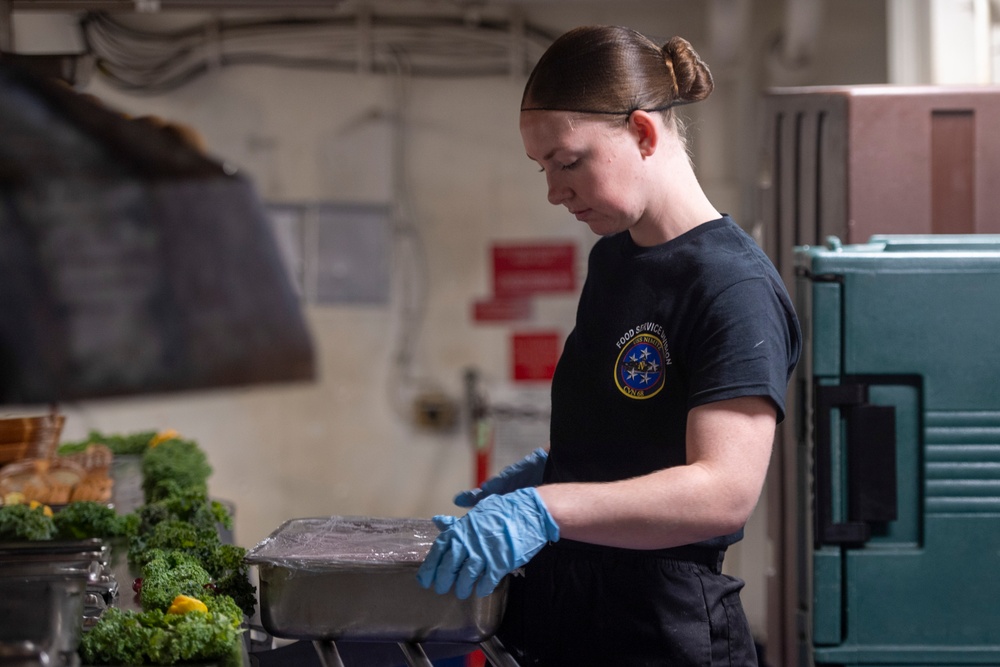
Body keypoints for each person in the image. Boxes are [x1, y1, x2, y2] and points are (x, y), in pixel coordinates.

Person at [417, 25, 801, 666]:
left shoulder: (731, 286)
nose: (553, 190)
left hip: (661, 632)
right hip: (568, 613)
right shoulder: (615, 261)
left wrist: (544, 506)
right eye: (543, 168)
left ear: (644, 133)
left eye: (568, 162)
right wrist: (562, 466)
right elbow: (638, 426)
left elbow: (722, 490)